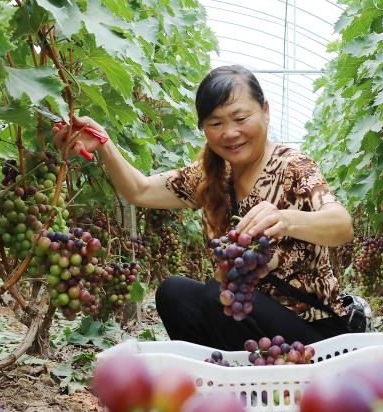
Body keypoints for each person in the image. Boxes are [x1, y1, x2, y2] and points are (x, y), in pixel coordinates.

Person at [53, 64, 356, 351]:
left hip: (316, 334)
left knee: (216, 296)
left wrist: (287, 220)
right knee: (174, 293)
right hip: (247, 326)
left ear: (265, 111)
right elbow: (140, 190)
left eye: (240, 119)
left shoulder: (293, 165)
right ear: (204, 128)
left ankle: (266, 377)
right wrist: (103, 142)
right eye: (215, 123)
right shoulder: (212, 176)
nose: (230, 133)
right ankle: (230, 379)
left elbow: (341, 225)